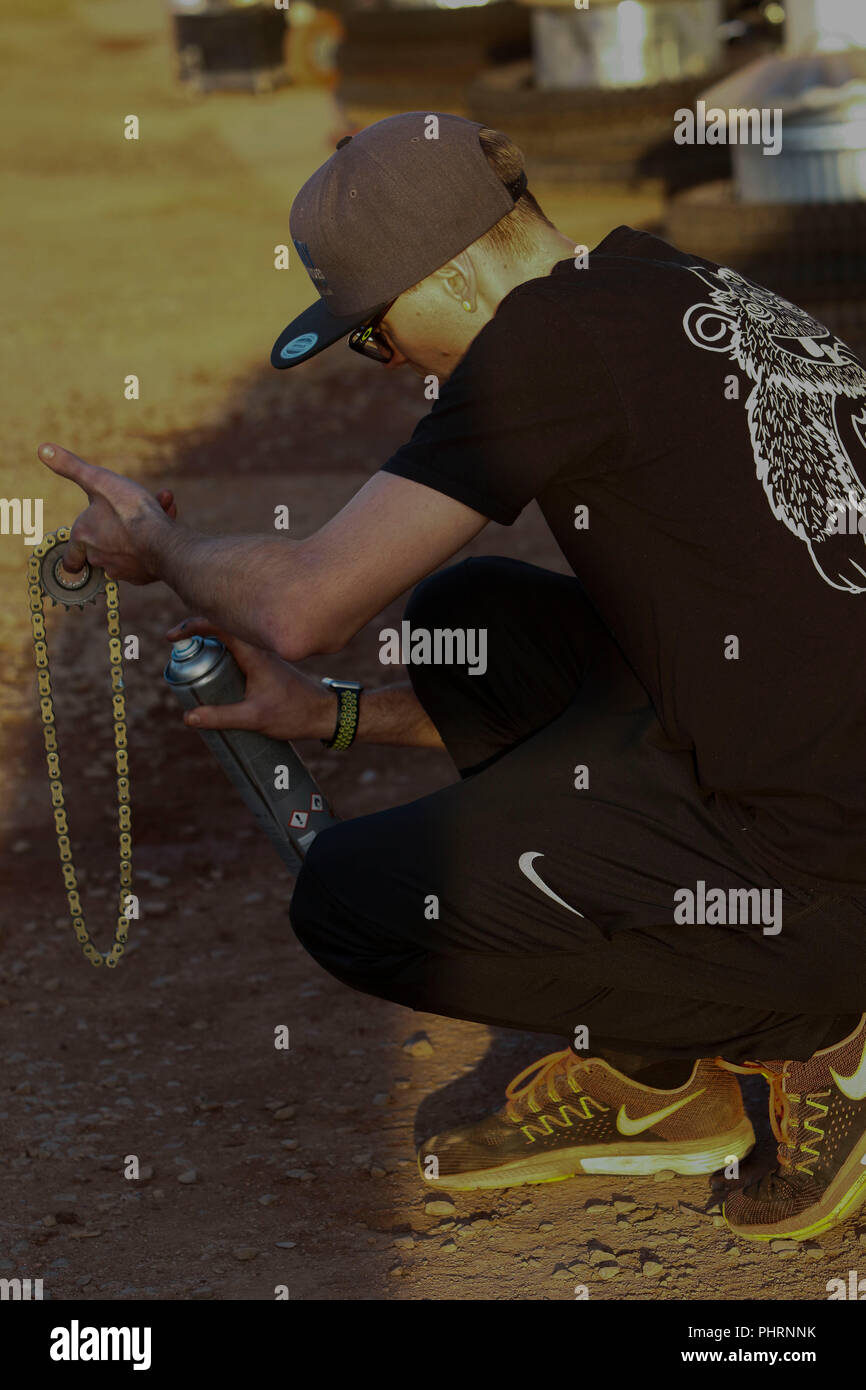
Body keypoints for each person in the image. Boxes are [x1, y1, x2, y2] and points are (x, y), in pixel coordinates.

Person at [39, 112, 866, 1244]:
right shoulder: (656, 281)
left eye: (374, 336)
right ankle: (660, 1071)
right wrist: (323, 718)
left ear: (450, 272)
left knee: (352, 900)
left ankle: (808, 1023)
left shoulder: (543, 344)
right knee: (470, 617)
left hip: (827, 857)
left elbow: (303, 602)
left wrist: (161, 548)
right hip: (813, 755)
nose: (388, 368)